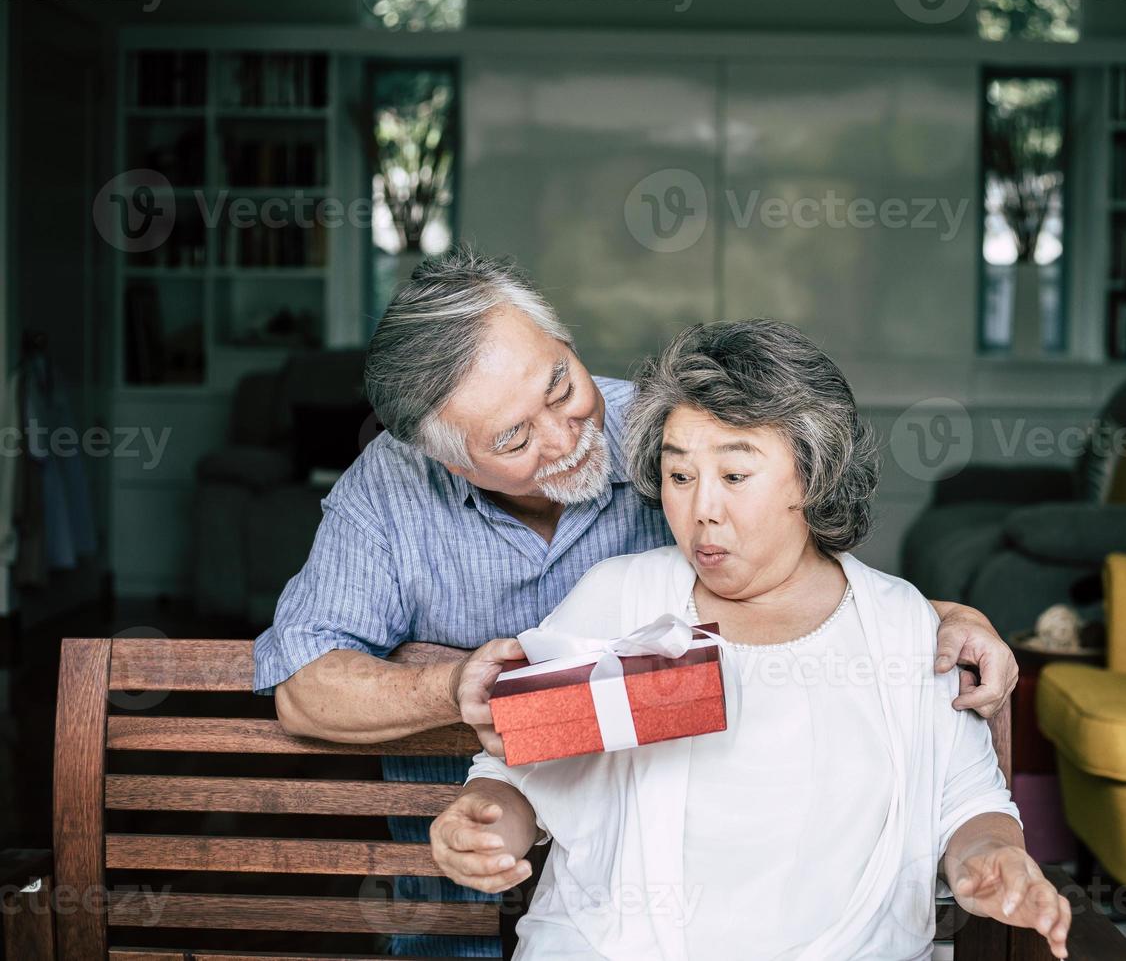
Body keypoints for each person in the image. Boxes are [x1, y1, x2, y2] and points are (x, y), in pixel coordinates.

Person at [252, 249, 1021, 957]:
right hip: (484, 860)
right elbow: (305, 688)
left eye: (562, 385)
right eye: (515, 439)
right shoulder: (389, 491)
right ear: (448, 460)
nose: (566, 437)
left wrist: (935, 616)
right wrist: (453, 690)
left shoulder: (672, 432)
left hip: (679, 862)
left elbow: (795, 556)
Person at [430, 320, 1069, 960]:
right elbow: (516, 772)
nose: (702, 507)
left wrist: (992, 860)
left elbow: (968, 805)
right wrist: (485, 824)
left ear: (813, 477)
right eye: (680, 477)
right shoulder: (620, 601)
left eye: (735, 475)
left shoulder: (901, 626)